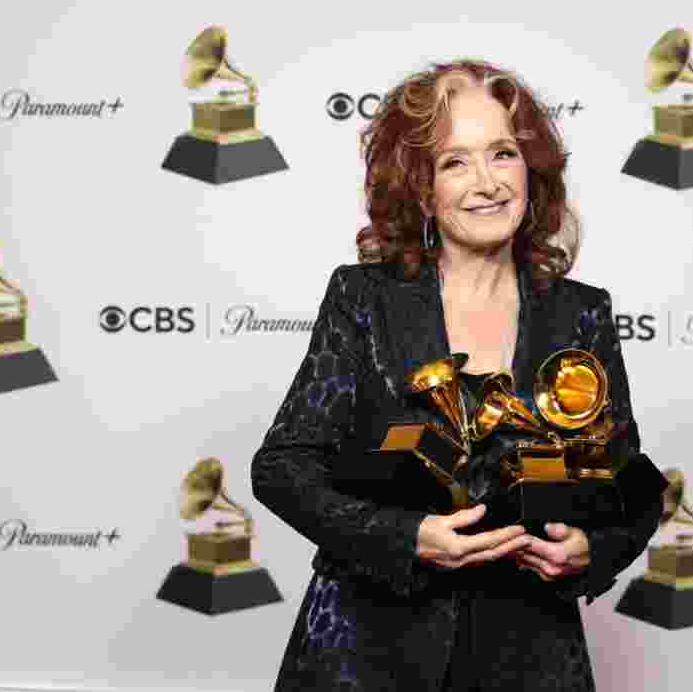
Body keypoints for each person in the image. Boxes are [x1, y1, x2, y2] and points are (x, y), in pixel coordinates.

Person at [251, 60, 667, 692]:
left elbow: (625, 479)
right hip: (366, 653)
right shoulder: (363, 299)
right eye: (455, 162)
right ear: (421, 188)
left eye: (502, 153)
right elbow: (282, 466)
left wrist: (593, 551)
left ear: (532, 169)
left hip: (530, 652)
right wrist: (404, 536)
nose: (487, 183)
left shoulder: (581, 312)